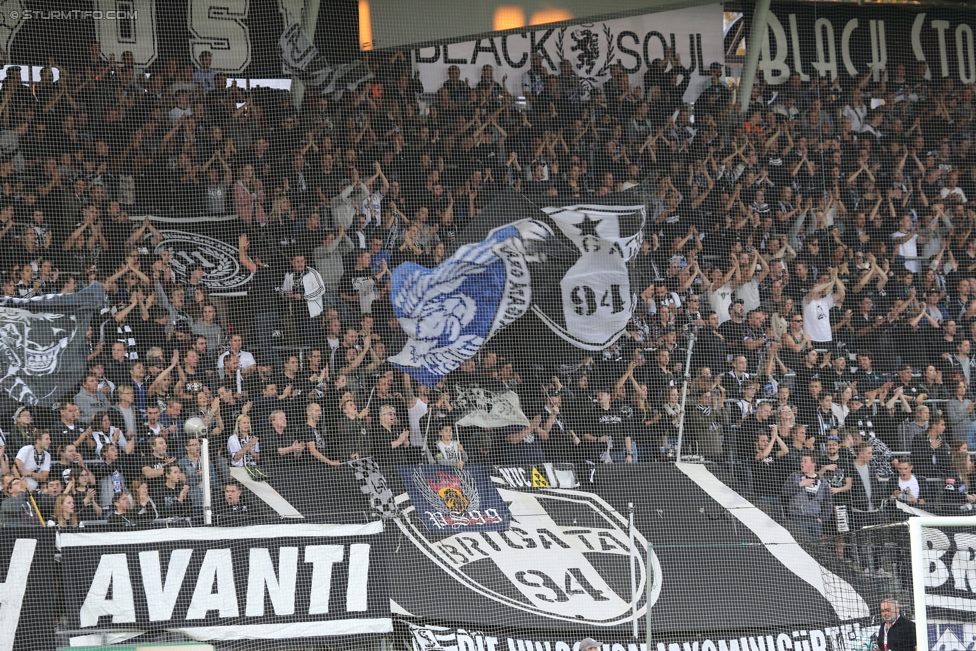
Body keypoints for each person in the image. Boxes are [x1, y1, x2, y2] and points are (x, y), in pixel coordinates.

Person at [782, 452, 832, 539]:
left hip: (815, 521)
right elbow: (784, 492)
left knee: (814, 548)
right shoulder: (795, 476)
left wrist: (822, 518)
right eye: (802, 461)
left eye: (805, 461)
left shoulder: (823, 481)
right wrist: (800, 485)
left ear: (813, 464)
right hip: (797, 519)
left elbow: (828, 502)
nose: (802, 464)